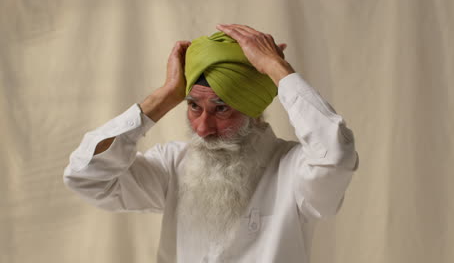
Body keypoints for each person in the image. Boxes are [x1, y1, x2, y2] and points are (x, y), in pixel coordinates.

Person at [63, 24, 359, 263]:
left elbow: (335, 155)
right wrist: (165, 96)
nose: (203, 129)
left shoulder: (294, 169)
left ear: (253, 110)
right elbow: (86, 176)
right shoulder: (173, 164)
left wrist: (276, 69)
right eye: (193, 106)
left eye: (221, 109)